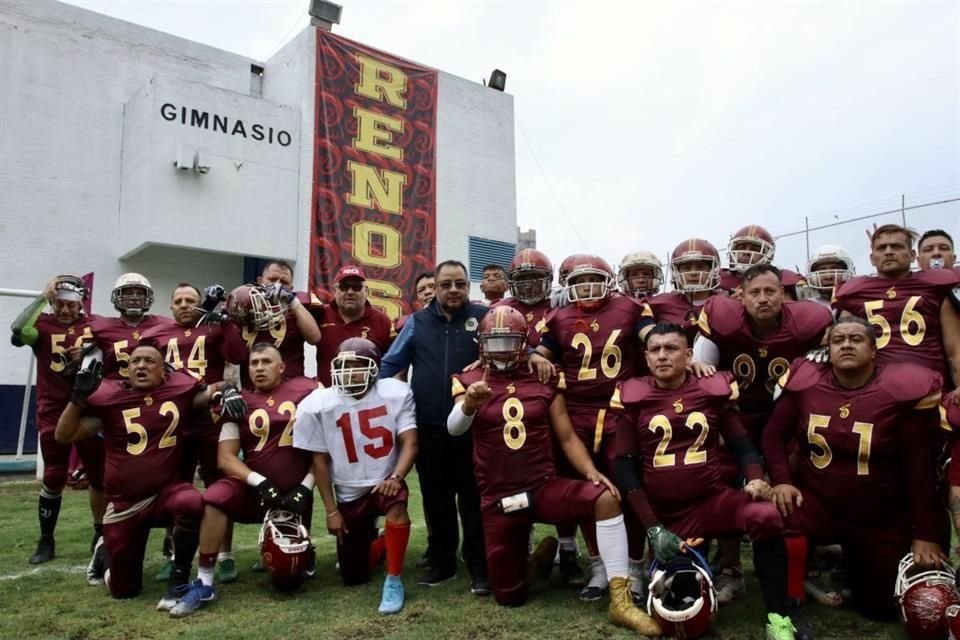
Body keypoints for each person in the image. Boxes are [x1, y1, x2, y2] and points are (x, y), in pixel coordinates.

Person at [446, 306, 661, 635]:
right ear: (482, 343)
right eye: (494, 341)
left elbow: (566, 436)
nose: (501, 350)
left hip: (542, 486)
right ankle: (542, 557)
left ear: (524, 344)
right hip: (499, 498)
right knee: (509, 596)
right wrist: (469, 405)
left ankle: (621, 601)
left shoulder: (543, 375)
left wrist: (590, 471)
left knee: (604, 498)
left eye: (509, 342)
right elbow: (454, 429)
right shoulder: (470, 379)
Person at [613, 322, 808, 640]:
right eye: (655, 350)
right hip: (666, 516)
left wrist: (756, 478)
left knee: (766, 516)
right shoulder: (633, 394)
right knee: (680, 607)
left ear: (689, 355)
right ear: (646, 357)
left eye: (672, 348)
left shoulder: (711, 389)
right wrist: (652, 526)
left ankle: (779, 617)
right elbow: (624, 468)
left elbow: (742, 446)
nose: (663, 356)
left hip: (712, 501)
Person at [762, 317, 947, 621]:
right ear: (828, 348)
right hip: (820, 503)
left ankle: (846, 560)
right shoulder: (807, 383)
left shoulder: (897, 392)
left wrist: (925, 534)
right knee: (769, 515)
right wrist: (782, 480)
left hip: (880, 515)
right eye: (838, 340)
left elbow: (919, 468)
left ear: (874, 350)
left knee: (879, 609)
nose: (846, 344)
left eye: (856, 339)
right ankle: (794, 591)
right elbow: (772, 435)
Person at [54, 341, 243, 609]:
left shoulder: (178, 389)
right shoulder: (108, 397)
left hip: (164, 495)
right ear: (126, 369)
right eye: (135, 361)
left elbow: (215, 388)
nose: (141, 366)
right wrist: (76, 398)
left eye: (149, 361)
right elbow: (64, 436)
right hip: (124, 504)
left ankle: (178, 580)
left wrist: (230, 390)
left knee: (191, 501)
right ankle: (105, 553)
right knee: (124, 591)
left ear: (163, 371)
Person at [693, 263, 833, 604]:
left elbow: (833, 336)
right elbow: (701, 369)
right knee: (725, 483)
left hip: (785, 416)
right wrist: (701, 369)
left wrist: (823, 350)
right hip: (736, 415)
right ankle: (731, 569)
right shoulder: (723, 317)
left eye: (771, 291)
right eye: (754, 292)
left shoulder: (809, 320)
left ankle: (806, 569)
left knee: (794, 485)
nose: (763, 298)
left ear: (783, 295)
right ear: (740, 296)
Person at [533, 254, 655, 602]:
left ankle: (633, 566)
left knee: (628, 489)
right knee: (590, 490)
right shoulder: (557, 317)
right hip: (578, 412)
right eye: (579, 282)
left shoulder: (630, 308)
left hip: (621, 409)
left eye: (593, 280)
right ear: (568, 286)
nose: (586, 288)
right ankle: (599, 565)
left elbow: (650, 336)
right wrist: (535, 356)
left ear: (609, 281)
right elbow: (541, 351)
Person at [168, 343, 320, 617]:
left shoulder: (306, 391)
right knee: (214, 497)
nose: (259, 368)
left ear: (282, 366)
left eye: (266, 361)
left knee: (288, 582)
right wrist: (259, 482)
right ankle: (205, 580)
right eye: (254, 363)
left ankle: (305, 553)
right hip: (256, 492)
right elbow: (225, 458)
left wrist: (306, 487)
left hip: (295, 495)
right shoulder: (240, 402)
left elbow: (324, 450)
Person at [379, 260, 490, 593]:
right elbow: (389, 366)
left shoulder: (484, 319)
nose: (453, 290)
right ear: (436, 287)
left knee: (472, 498)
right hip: (428, 425)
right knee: (436, 498)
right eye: (446, 284)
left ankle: (479, 566)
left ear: (468, 287)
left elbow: (508, 355)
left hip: (474, 426)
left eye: (460, 284)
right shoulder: (416, 322)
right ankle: (443, 563)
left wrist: (485, 362)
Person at [295, 338, 418, 614]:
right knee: (353, 575)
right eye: (343, 365)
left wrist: (396, 477)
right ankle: (383, 543)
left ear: (375, 369)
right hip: (349, 491)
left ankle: (394, 579)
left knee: (397, 503)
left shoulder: (395, 393)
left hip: (385, 482)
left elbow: (410, 442)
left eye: (358, 366)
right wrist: (331, 510)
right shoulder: (319, 403)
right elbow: (320, 460)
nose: (350, 372)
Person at [10, 275, 106, 578]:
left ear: (81, 304)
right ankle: (46, 538)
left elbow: (116, 354)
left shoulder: (96, 325)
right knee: (53, 475)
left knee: (99, 475)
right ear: (53, 303)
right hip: (53, 410)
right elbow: (18, 329)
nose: (65, 310)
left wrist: (90, 352)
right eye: (60, 304)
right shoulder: (43, 325)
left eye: (71, 304)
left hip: (89, 410)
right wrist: (41, 297)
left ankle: (99, 533)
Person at [143, 282, 239, 583]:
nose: (185, 305)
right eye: (179, 300)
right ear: (170, 306)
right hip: (173, 419)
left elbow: (238, 355)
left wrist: (227, 322)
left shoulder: (213, 328)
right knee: (175, 487)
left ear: (200, 304)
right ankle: (174, 554)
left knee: (219, 486)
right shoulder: (156, 334)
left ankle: (225, 554)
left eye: (191, 300)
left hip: (209, 416)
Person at [833, 224, 960, 386]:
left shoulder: (936, 284)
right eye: (881, 248)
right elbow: (842, 337)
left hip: (931, 383)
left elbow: (954, 347)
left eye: (896, 246)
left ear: (913, 255)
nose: (888, 252)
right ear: (872, 258)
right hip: (876, 387)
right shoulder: (854, 291)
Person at [223, 260, 321, 388]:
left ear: (291, 288)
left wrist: (293, 302)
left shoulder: (297, 306)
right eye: (272, 279)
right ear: (260, 281)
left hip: (290, 389)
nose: (277, 285)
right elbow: (234, 357)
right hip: (254, 390)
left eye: (284, 282)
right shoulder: (244, 305)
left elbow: (315, 338)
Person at [311, 266, 395, 387]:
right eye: (344, 287)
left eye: (356, 287)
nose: (350, 292)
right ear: (335, 290)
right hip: (329, 396)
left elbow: (392, 362)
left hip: (367, 397)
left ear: (366, 290)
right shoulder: (321, 314)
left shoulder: (382, 320)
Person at [90, 273, 169, 379]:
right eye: (128, 293)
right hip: (116, 387)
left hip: (153, 387)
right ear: (117, 297)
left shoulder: (162, 325)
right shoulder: (102, 327)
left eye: (140, 294)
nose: (134, 298)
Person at [648, 238, 723, 341]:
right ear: (676, 271)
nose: (693, 273)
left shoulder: (725, 303)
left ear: (713, 270)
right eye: (687, 268)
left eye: (700, 267)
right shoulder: (660, 303)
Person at [721, 225, 806, 300]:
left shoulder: (786, 279)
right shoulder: (718, 279)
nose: (746, 252)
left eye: (755, 249)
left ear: (769, 255)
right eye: (741, 247)